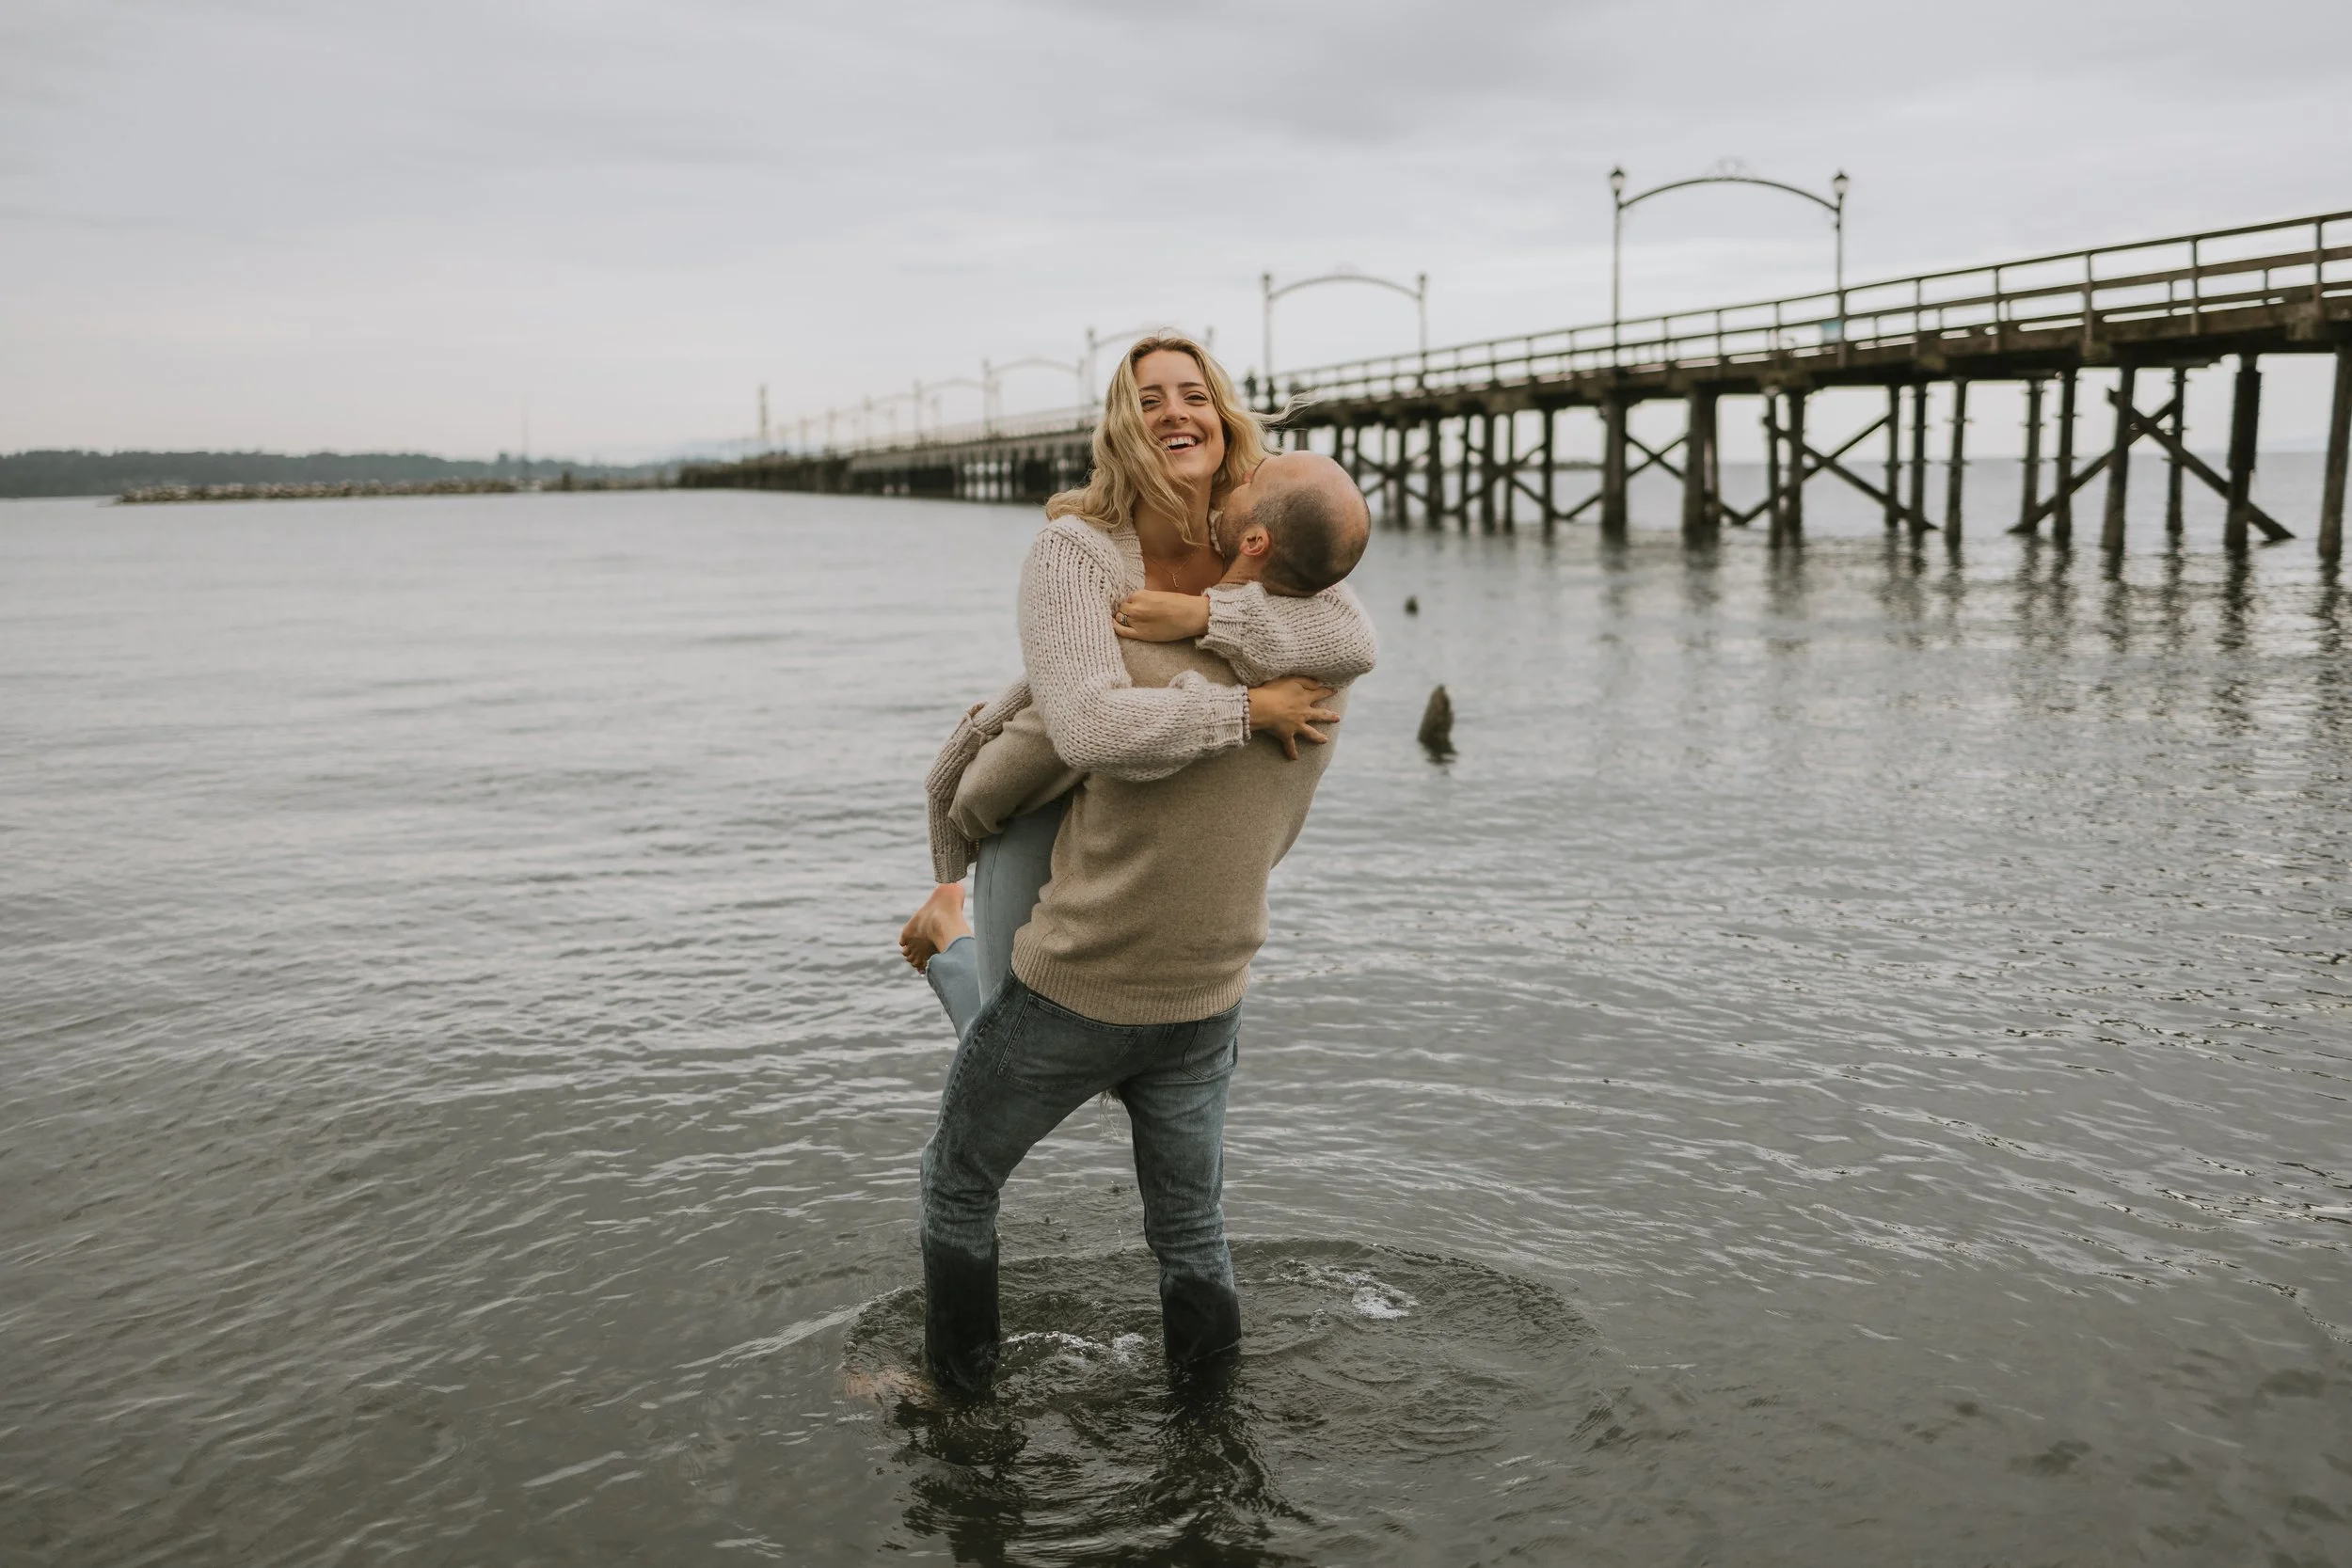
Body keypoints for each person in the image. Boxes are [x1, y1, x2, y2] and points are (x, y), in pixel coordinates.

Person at [893, 334, 1375, 1395]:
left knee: (961, 1171)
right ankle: (1208, 1428)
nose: (1174, 411)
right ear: (1119, 422)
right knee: (1190, 1227)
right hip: (1190, 957)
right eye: (1147, 396)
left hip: (1117, 958)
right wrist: (1249, 702)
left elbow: (1352, 629)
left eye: (1193, 393)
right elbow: (1079, 727)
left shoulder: (1273, 587)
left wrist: (1209, 618)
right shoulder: (1084, 554)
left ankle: (956, 1404)